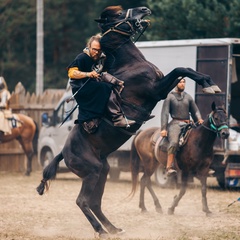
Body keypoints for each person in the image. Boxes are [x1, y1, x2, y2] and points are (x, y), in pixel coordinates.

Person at [67, 34, 135, 132]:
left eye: (99, 50)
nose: (96, 53)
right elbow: (71, 73)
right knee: (105, 88)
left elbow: (104, 73)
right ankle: (117, 118)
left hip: (93, 84)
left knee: (112, 85)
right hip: (81, 87)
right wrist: (88, 74)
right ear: (89, 46)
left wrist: (116, 81)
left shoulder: (101, 58)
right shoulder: (82, 58)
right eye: (94, 49)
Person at [160, 78, 204, 176]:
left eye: (184, 82)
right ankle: (169, 167)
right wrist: (163, 128)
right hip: (175, 124)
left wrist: (199, 118)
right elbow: (165, 114)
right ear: (176, 83)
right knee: (174, 142)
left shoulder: (188, 97)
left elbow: (195, 111)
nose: (182, 84)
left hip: (188, 124)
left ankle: (201, 166)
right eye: (180, 82)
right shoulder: (169, 97)